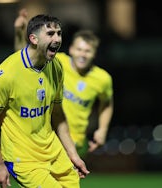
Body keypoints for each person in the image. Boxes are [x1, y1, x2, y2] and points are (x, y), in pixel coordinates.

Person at [0, 13, 90, 188]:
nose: (57, 38)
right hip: (23, 158)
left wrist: (73, 155)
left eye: (59, 33)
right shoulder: (6, 74)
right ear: (33, 38)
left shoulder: (56, 67)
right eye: (50, 34)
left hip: (53, 152)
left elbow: (58, 115)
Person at [14, 9, 114, 158]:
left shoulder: (102, 78)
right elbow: (25, 57)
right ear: (72, 49)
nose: (82, 54)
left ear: (94, 53)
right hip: (50, 137)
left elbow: (107, 103)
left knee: (65, 181)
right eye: (79, 49)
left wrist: (103, 129)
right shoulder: (58, 62)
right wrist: (19, 33)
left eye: (87, 51)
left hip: (77, 142)